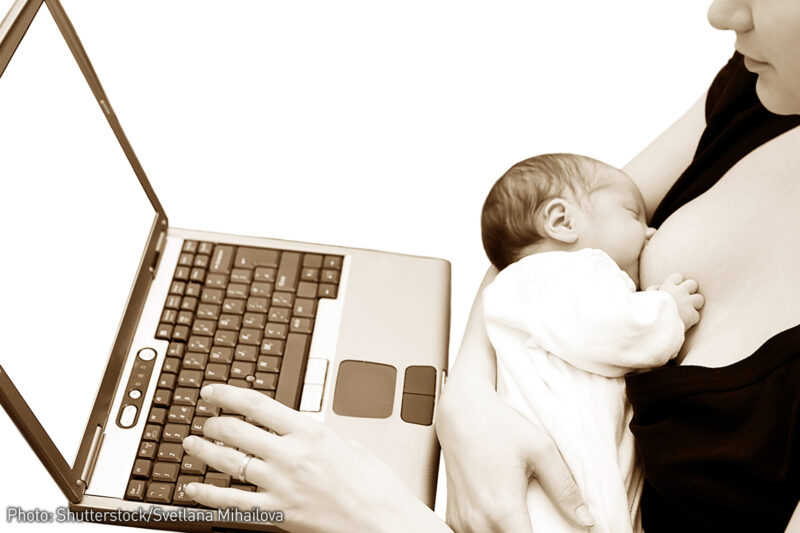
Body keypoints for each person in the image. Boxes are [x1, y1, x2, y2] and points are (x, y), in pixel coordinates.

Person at [181, 0, 800, 531]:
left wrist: (376, 517)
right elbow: (543, 236)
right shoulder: (769, 87)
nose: (720, 14)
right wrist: (467, 400)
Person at [479, 153, 702, 532]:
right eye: (634, 215)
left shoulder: (534, 290)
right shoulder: (558, 274)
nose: (650, 234)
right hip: (556, 497)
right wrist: (667, 313)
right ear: (562, 222)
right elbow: (611, 330)